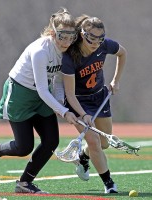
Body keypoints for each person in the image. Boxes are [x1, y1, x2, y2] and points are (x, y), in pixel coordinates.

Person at [0, 8, 78, 194]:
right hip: (21, 93)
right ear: (53, 33)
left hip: (42, 95)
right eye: (62, 36)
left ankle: (24, 183)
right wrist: (64, 111)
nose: (67, 42)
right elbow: (43, 89)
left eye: (71, 37)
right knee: (23, 147)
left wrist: (61, 104)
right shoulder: (40, 52)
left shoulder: (67, 51)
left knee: (51, 141)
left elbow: (58, 80)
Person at [61, 15, 126, 193]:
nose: (96, 43)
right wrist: (83, 114)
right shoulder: (69, 57)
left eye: (100, 38)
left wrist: (116, 80)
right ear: (82, 34)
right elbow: (70, 94)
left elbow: (122, 53)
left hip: (99, 97)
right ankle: (109, 184)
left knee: (104, 143)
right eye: (91, 38)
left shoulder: (104, 45)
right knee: (94, 141)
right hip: (78, 101)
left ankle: (83, 156)